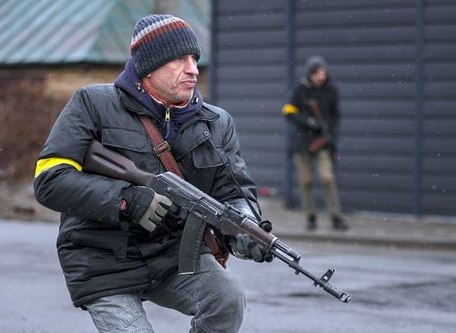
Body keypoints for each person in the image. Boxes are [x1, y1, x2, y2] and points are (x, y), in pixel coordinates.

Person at [33, 14, 269, 333]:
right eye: (180, 60)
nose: (193, 69)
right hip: (102, 259)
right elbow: (51, 180)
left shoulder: (216, 123)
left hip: (175, 258)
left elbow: (234, 193)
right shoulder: (93, 104)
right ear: (149, 65)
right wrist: (126, 201)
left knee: (228, 300)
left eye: (195, 59)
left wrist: (245, 227)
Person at [282, 55, 349, 231]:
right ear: (310, 74)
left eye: (323, 72)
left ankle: (336, 216)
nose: (321, 76)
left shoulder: (331, 90)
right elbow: (288, 111)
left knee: (327, 178)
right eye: (317, 73)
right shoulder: (300, 89)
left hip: (323, 141)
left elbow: (336, 117)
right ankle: (310, 216)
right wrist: (308, 121)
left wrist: (332, 138)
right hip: (302, 142)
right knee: (306, 181)